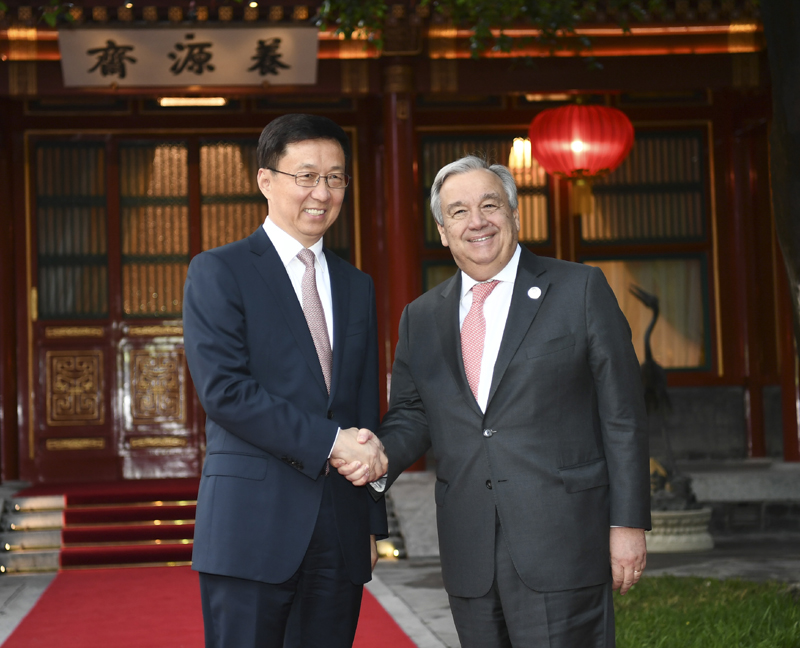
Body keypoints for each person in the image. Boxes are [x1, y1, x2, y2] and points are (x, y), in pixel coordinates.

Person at [338, 155, 650, 647]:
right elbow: (413, 416)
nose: (477, 221)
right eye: (458, 211)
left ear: (514, 214)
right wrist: (373, 458)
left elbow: (623, 415)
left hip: (564, 541)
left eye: (490, 205)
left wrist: (627, 523)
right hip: (469, 546)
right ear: (443, 232)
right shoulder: (421, 317)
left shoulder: (579, 289)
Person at [183, 113, 388, 648]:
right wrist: (331, 442)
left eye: (336, 177)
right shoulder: (219, 270)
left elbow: (363, 407)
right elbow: (226, 392)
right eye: (307, 176)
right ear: (266, 180)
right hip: (251, 526)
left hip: (340, 529)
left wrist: (370, 523)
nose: (323, 192)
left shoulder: (356, 284)